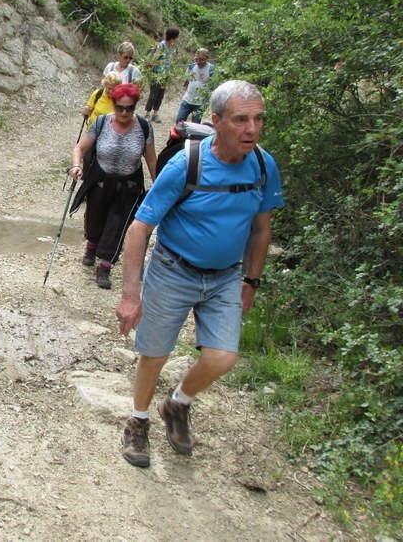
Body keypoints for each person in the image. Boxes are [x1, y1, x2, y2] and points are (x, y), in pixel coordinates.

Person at [115, 80, 284, 468]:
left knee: (223, 357)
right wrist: (130, 294)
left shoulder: (263, 164)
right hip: (174, 270)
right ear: (217, 120)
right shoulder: (186, 164)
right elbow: (140, 228)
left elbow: (261, 229)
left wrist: (251, 281)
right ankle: (138, 421)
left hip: (226, 276)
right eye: (241, 120)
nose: (252, 129)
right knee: (154, 353)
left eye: (258, 119)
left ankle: (176, 404)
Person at [68, 83, 157, 289]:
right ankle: (91, 245)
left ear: (135, 107)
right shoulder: (101, 123)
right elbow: (79, 148)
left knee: (117, 226)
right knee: (93, 222)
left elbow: (151, 160)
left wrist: (158, 184)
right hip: (99, 182)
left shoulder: (144, 127)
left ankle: (105, 265)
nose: (124, 112)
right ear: (113, 105)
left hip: (128, 186)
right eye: (120, 107)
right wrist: (75, 165)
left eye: (129, 108)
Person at [143, 27, 180, 123]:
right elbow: (150, 61)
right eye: (176, 37)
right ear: (173, 37)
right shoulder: (160, 46)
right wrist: (163, 61)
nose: (177, 39)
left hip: (165, 74)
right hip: (157, 73)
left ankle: (155, 114)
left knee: (161, 94)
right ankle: (147, 113)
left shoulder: (172, 47)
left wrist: (174, 57)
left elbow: (171, 61)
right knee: (154, 94)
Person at [175, 48, 215, 124]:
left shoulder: (211, 69)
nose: (199, 62)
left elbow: (213, 86)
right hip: (187, 100)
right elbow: (186, 82)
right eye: (197, 59)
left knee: (195, 124)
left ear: (206, 59)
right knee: (179, 120)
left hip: (200, 103)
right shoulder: (191, 67)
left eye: (202, 59)